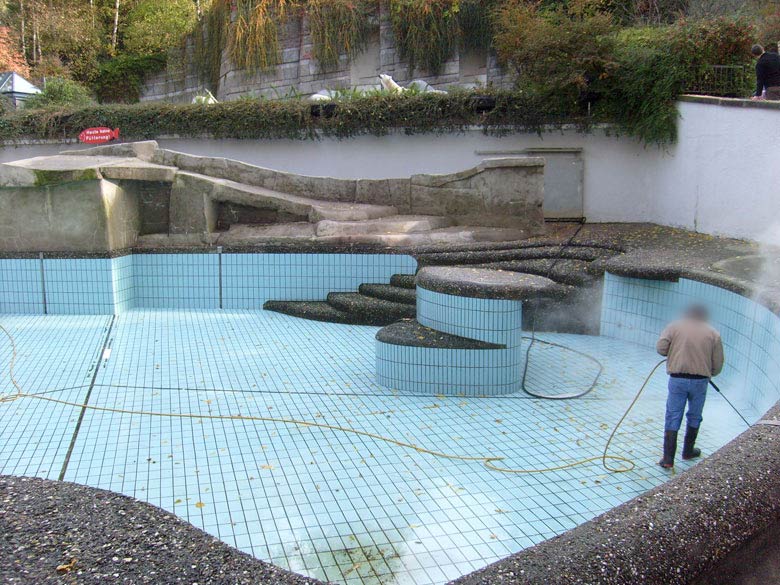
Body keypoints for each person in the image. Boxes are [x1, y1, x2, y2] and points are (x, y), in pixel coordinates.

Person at [656, 305, 724, 469]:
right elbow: (718, 363)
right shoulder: (713, 333)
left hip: (678, 379)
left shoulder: (674, 327)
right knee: (695, 414)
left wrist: (673, 353)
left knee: (673, 415)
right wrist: (710, 373)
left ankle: (668, 459)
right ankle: (687, 451)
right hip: (700, 381)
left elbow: (661, 348)